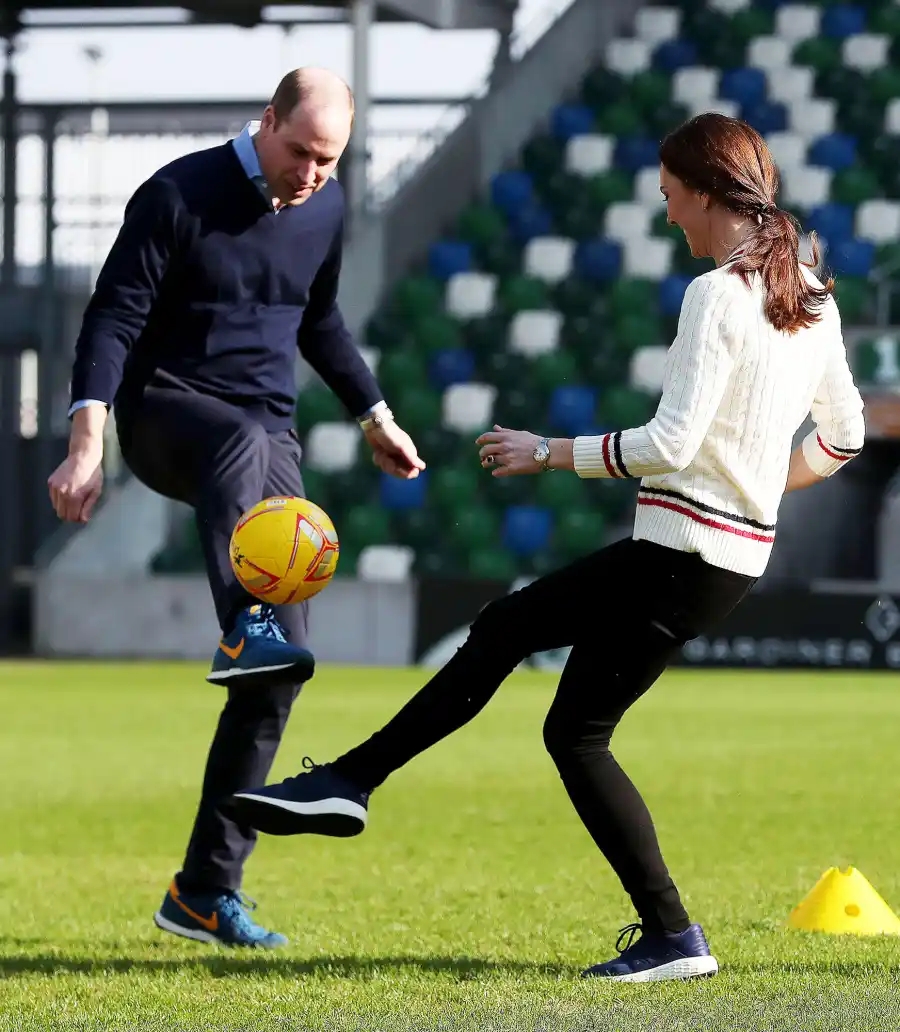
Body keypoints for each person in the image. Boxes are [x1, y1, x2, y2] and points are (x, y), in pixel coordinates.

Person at [228, 112, 866, 979]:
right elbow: (845, 437)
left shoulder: (716, 294)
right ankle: (672, 936)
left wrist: (549, 453)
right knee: (575, 729)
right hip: (728, 564)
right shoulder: (814, 296)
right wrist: (764, 487)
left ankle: (353, 779)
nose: (668, 211)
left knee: (504, 628)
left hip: (681, 550)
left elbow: (671, 445)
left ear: (708, 190)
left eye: (672, 195)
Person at [46, 67, 424, 949]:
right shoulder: (177, 194)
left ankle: (204, 890)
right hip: (168, 417)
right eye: (301, 153)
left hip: (265, 440)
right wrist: (86, 443)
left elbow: (317, 320)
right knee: (243, 460)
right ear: (266, 121)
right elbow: (111, 319)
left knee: (283, 668)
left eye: (330, 162)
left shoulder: (326, 208)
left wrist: (376, 414)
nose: (312, 175)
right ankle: (241, 624)